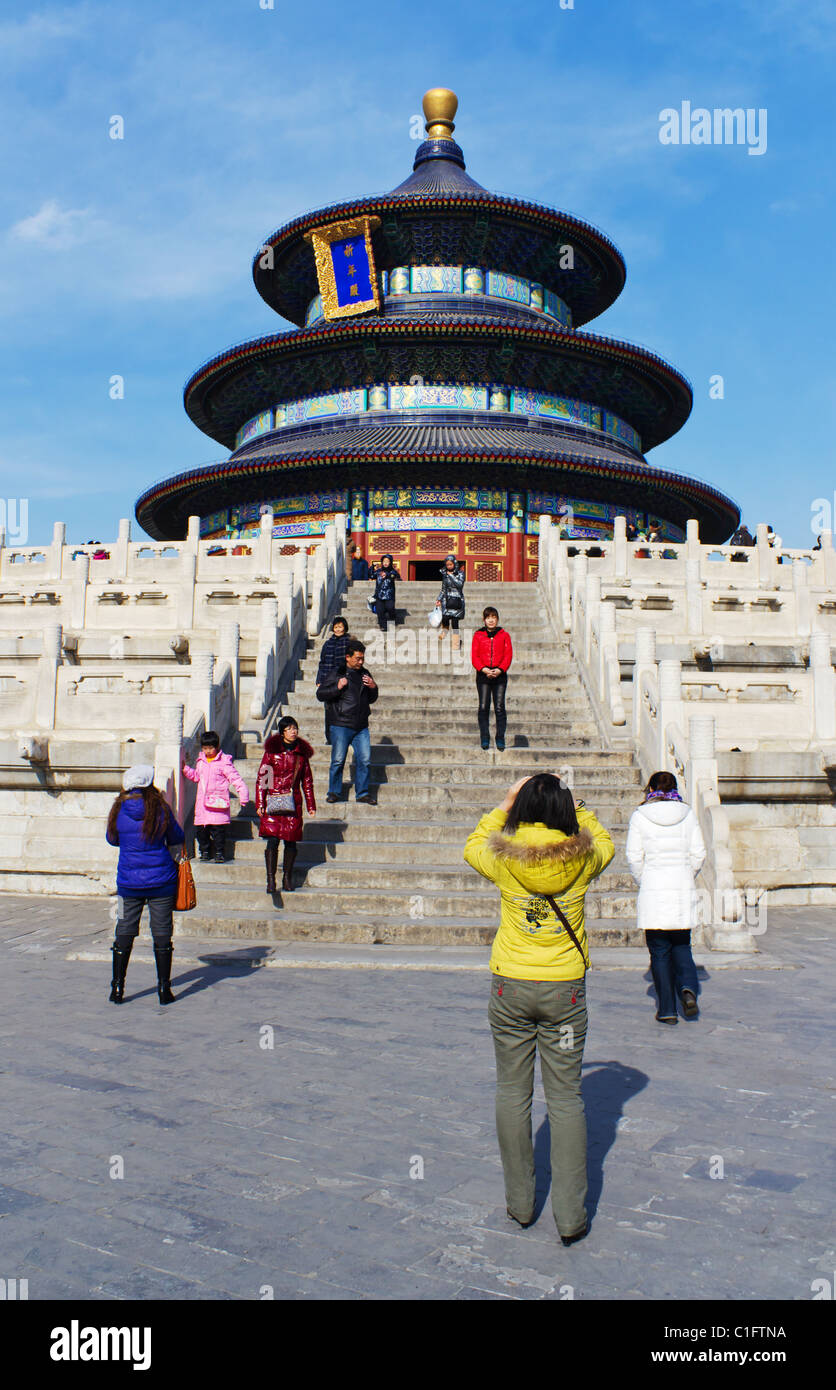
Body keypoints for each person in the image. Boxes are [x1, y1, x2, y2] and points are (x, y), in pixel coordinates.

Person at [464, 774, 615, 1245]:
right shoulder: (585, 854)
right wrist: (580, 806)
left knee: (512, 1092)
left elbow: (472, 845)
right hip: (564, 990)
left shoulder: (503, 856)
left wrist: (504, 804)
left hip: (511, 984)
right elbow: (607, 840)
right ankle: (571, 1217)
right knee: (566, 1099)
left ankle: (521, 1203)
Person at [625, 770, 706, 1025]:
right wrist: (685, 874)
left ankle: (668, 1010)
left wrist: (645, 879)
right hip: (681, 888)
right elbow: (699, 854)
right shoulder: (687, 814)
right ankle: (688, 987)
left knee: (659, 952)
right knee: (682, 945)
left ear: (650, 789)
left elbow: (634, 857)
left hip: (654, 890)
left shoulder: (640, 816)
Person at [105, 765, 185, 1005]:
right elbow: (177, 837)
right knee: (162, 934)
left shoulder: (118, 808)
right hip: (162, 880)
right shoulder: (160, 807)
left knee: (124, 931)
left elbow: (112, 839)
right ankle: (164, 989)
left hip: (129, 883)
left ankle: (117, 988)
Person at [255, 716, 316, 894]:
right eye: (289, 728)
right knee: (272, 841)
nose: (293, 731)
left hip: (293, 803)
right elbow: (263, 779)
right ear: (282, 732)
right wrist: (260, 801)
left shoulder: (301, 754)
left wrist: (311, 804)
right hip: (273, 801)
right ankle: (270, 879)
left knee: (290, 842)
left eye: (295, 728)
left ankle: (287, 877)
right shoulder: (272, 753)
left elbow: (307, 781)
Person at [317, 638, 378, 804]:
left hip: (361, 726)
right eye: (358, 658)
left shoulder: (365, 674)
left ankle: (363, 793)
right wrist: (337, 687)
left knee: (365, 760)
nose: (361, 661)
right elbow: (321, 694)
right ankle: (334, 792)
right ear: (348, 657)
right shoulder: (337, 673)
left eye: (362, 658)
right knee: (338, 760)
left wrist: (373, 687)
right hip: (341, 724)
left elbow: (372, 698)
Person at [182, 730, 249, 863]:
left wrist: (243, 795)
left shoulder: (224, 762)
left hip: (217, 803)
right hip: (202, 806)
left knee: (218, 832)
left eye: (210, 748)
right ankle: (205, 851)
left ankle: (219, 852)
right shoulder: (201, 761)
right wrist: (186, 770)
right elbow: (197, 777)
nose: (208, 751)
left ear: (217, 747)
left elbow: (235, 779)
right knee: (201, 831)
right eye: (205, 748)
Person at [471, 606, 514, 751]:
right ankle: (484, 737)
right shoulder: (478, 635)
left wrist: (500, 669)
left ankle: (500, 737)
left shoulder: (504, 635)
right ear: (484, 620)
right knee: (483, 707)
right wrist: (484, 669)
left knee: (500, 707)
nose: (491, 620)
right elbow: (474, 656)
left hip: (499, 676)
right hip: (483, 676)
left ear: (497, 619)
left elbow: (508, 655)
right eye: (488, 617)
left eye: (493, 617)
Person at [315, 616, 350, 745]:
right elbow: (322, 662)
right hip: (328, 681)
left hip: (343, 681)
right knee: (329, 710)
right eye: (336, 627)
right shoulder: (328, 643)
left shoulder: (349, 643)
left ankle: (344, 737)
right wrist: (319, 679)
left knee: (343, 710)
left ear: (345, 628)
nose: (338, 629)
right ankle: (330, 738)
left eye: (340, 627)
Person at [436, 553, 465, 650]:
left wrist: (451, 576)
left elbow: (459, 585)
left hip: (457, 600)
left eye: (450, 564)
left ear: (454, 564)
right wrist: (439, 599)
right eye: (447, 565)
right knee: (445, 618)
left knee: (455, 622)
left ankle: (456, 642)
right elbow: (443, 589)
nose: (449, 566)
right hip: (447, 599)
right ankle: (445, 629)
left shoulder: (461, 573)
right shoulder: (444, 575)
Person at [370, 553, 400, 631]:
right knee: (380, 611)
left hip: (389, 594)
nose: (385, 563)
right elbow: (371, 576)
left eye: (387, 561)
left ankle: (392, 617)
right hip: (379, 594)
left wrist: (387, 575)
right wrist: (372, 567)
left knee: (390, 608)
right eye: (384, 561)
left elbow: (395, 576)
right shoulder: (378, 571)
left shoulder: (392, 571)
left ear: (390, 562)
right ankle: (383, 626)